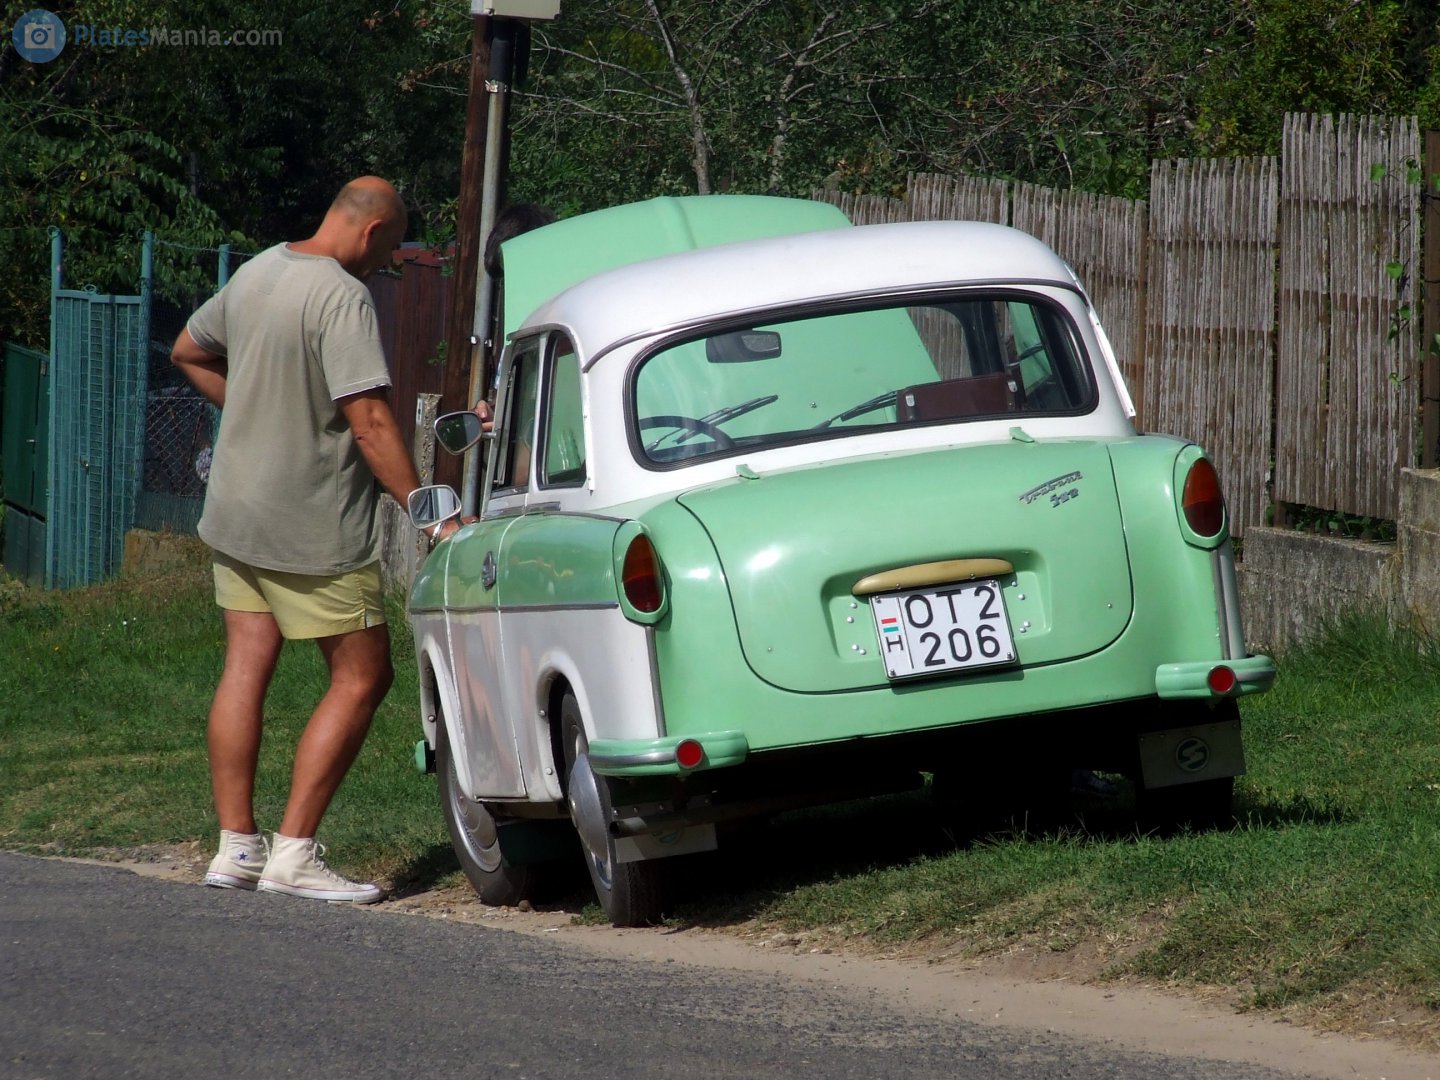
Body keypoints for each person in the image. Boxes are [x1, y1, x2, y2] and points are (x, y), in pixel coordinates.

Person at [172, 176, 458, 904]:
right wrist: (432, 513)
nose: (388, 261)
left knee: (246, 665)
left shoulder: (258, 270)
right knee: (364, 676)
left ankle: (237, 846)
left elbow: (189, 351)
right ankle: (293, 854)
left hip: (237, 513)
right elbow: (369, 420)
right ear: (371, 233)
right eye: (391, 248)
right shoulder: (342, 295)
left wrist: (257, 417)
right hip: (313, 524)